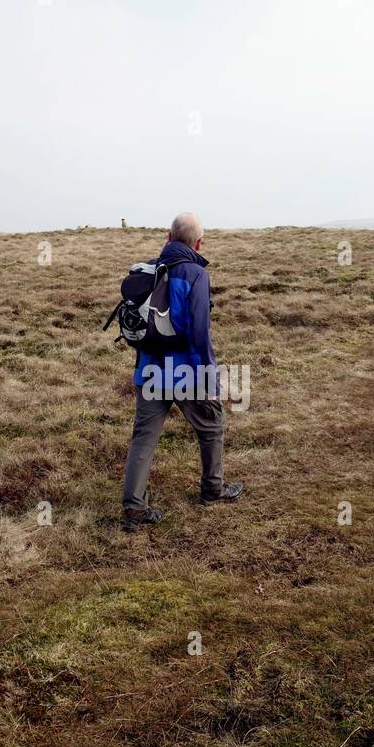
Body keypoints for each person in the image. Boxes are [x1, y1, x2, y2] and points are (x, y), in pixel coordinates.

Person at [122, 212, 243, 532]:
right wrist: (210, 379)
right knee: (211, 426)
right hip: (186, 370)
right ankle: (212, 490)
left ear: (168, 236)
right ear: (199, 243)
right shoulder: (196, 275)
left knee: (143, 439)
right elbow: (199, 331)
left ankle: (134, 509)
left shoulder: (148, 270)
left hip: (149, 368)